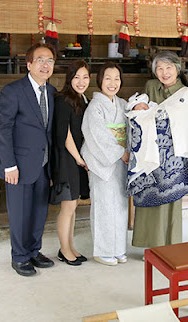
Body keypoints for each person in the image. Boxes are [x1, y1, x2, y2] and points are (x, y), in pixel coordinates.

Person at [127, 51, 188, 249]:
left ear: (177, 69)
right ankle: (148, 244)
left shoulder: (186, 94)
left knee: (170, 200)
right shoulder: (150, 87)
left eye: (168, 67)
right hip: (150, 152)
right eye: (159, 68)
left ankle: (169, 244)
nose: (164, 73)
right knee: (148, 196)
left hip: (173, 157)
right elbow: (138, 114)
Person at [0, 43, 57, 277]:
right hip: (18, 166)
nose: (45, 65)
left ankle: (33, 251)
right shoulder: (13, 91)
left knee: (39, 211)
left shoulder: (51, 92)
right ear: (29, 64)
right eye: (40, 60)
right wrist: (9, 164)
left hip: (43, 164)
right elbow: (3, 129)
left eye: (50, 60)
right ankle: (19, 256)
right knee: (20, 213)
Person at [81, 62, 129, 266]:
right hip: (103, 164)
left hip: (121, 162)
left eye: (117, 78)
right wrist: (121, 152)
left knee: (120, 206)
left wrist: (128, 153)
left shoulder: (123, 104)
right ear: (100, 80)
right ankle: (102, 250)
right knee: (103, 207)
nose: (113, 83)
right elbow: (97, 136)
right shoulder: (94, 107)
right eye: (108, 78)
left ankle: (118, 248)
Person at [50, 60, 90, 266]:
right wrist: (78, 158)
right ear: (69, 79)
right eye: (76, 77)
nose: (81, 81)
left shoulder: (84, 100)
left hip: (78, 159)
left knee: (73, 205)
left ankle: (70, 246)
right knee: (68, 207)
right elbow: (63, 133)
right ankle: (64, 250)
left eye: (85, 77)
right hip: (67, 159)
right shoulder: (63, 99)